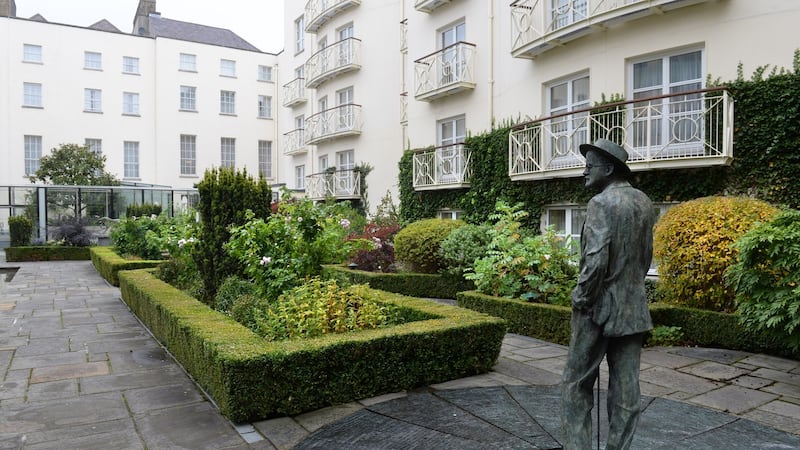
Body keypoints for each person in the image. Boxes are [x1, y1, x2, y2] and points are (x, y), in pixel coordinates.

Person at [561, 138, 655, 450]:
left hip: (597, 308)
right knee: (627, 389)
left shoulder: (601, 203)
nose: (584, 173)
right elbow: (645, 258)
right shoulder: (643, 201)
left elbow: (595, 260)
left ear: (609, 168)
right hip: (633, 308)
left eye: (589, 167)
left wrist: (582, 297)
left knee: (576, 384)